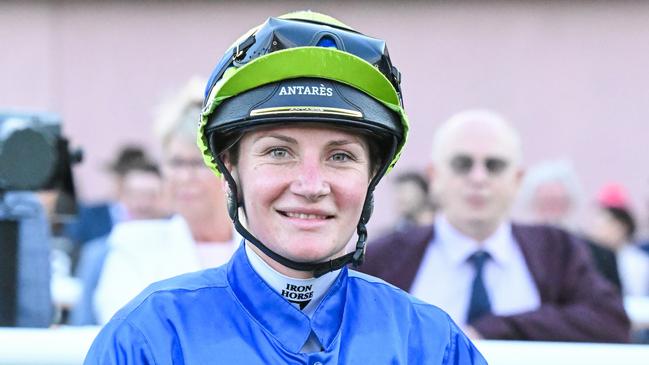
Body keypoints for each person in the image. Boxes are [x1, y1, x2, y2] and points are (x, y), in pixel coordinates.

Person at [84, 11, 486, 364]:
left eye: (340, 156)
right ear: (230, 166)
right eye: (278, 152)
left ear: (372, 175)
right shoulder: (148, 340)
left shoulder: (432, 345)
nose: (311, 185)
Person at [361, 109, 630, 342]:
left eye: (494, 166)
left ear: (518, 178)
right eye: (462, 164)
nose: (478, 178)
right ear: (434, 176)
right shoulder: (386, 257)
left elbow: (611, 322)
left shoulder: (556, 250)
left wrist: (495, 330)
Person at [90, 78, 238, 325]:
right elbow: (123, 332)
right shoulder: (134, 246)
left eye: (198, 163)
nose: (183, 177)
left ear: (228, 167)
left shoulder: (263, 246)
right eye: (175, 163)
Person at [515, 160, 622, 290]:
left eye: (557, 202)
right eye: (545, 202)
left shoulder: (601, 255)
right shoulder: (516, 252)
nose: (551, 211)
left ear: (570, 203)